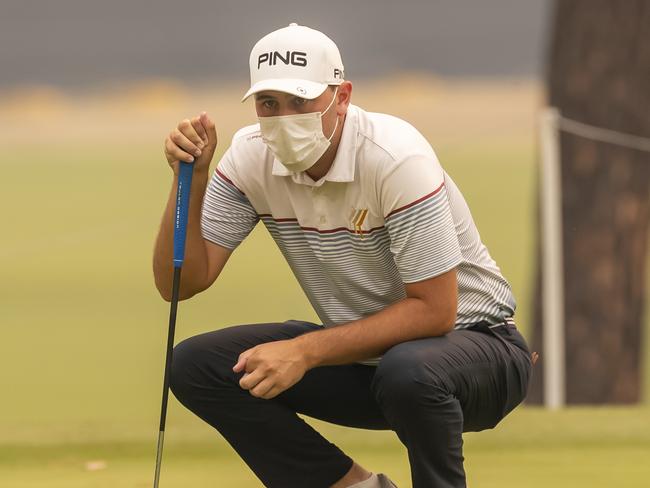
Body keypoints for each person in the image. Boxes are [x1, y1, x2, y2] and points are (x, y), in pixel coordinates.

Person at [153, 23, 533, 488]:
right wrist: (189, 179)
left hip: (480, 353)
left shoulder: (393, 157)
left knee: (408, 370)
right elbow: (181, 282)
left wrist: (305, 351)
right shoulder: (250, 157)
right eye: (269, 104)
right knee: (198, 365)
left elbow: (436, 312)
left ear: (343, 95)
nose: (284, 117)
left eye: (301, 102)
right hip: (369, 361)